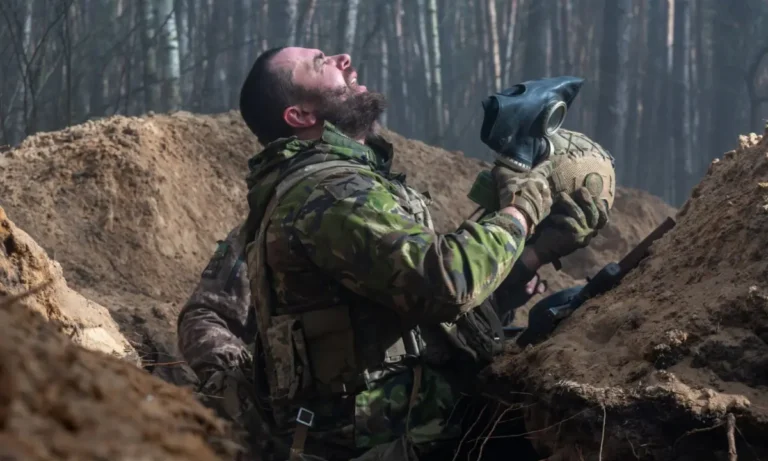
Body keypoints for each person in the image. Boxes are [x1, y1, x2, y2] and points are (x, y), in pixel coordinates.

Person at [178, 46, 611, 461]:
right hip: (402, 439)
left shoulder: (355, 187)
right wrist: (524, 207)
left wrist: (530, 258)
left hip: (420, 420)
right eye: (320, 62)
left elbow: (410, 320)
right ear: (300, 115)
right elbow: (447, 282)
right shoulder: (329, 194)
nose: (343, 59)